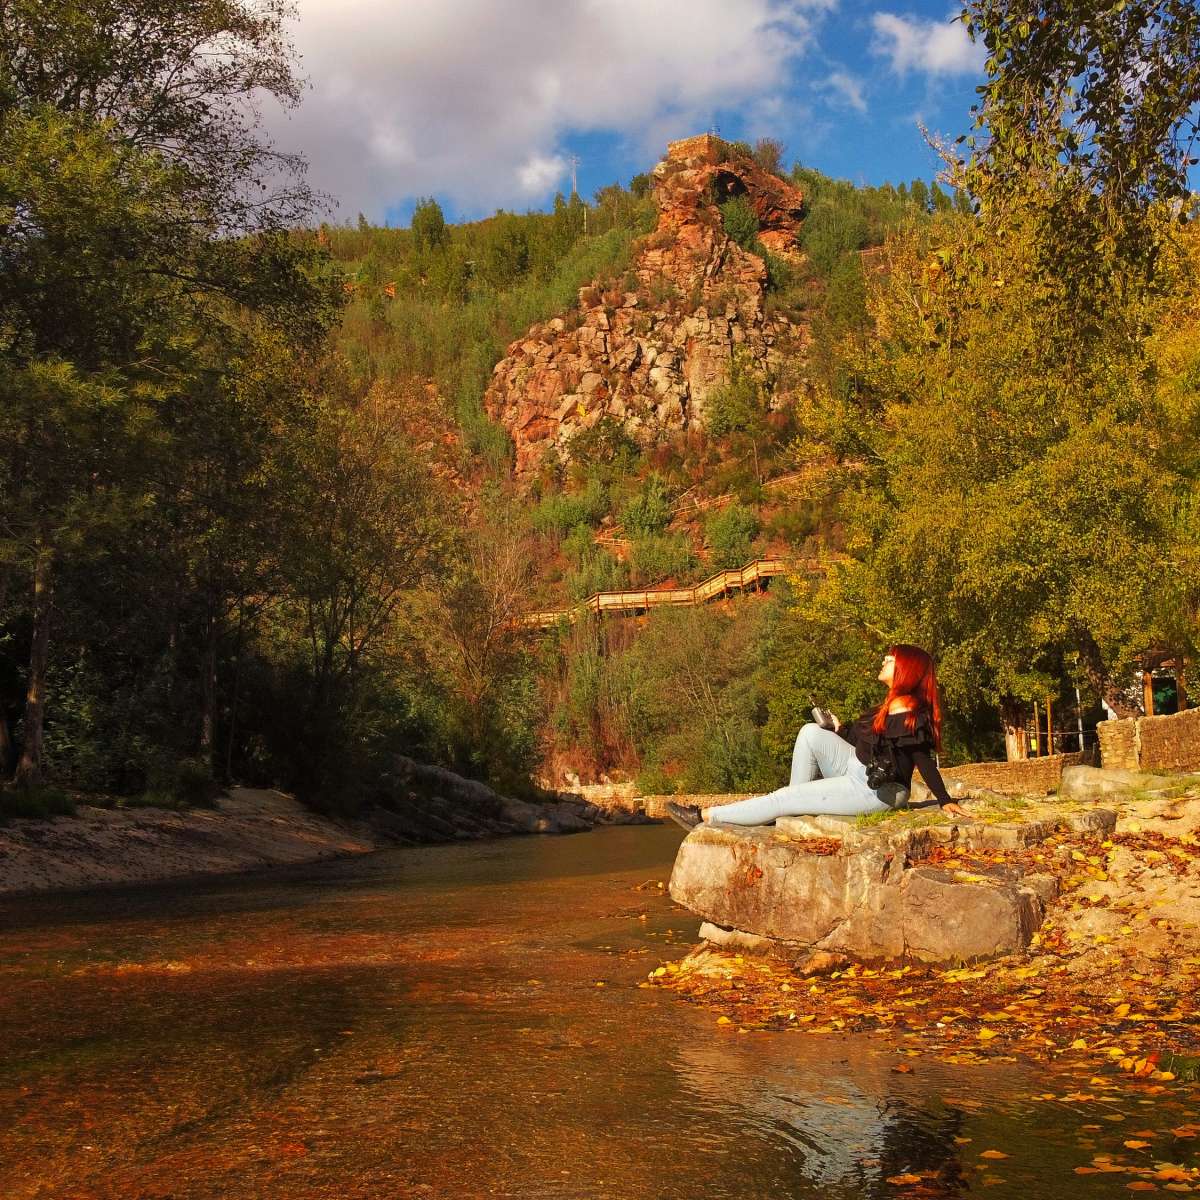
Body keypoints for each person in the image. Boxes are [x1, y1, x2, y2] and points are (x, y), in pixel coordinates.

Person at [667, 643, 968, 829]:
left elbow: (922, 759)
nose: (883, 662)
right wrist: (839, 729)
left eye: (889, 660)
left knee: (785, 797)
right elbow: (865, 741)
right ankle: (792, 807)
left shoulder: (914, 717)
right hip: (854, 766)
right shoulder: (886, 707)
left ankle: (704, 817)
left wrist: (944, 800)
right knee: (811, 732)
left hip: (876, 791)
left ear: (905, 670)